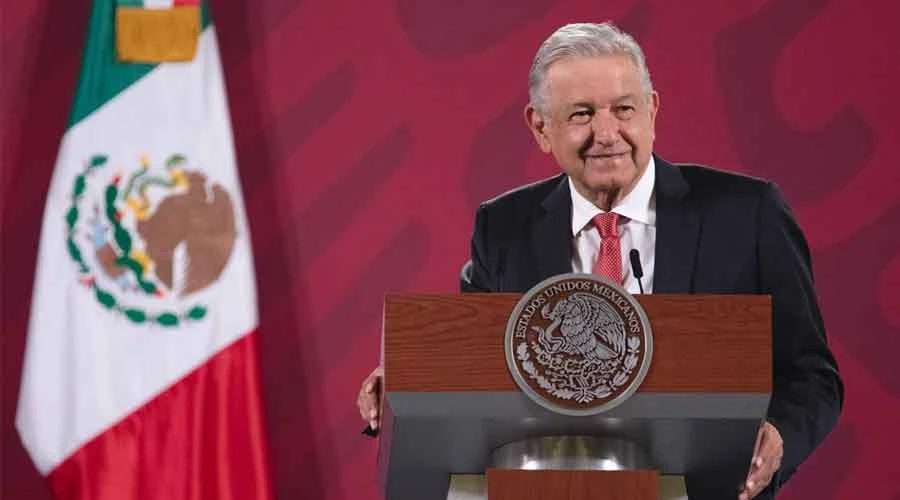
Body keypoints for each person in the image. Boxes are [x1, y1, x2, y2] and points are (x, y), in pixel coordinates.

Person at [357, 22, 843, 499]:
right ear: (540, 127)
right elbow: (472, 360)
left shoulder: (748, 213)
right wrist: (404, 384)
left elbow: (811, 374)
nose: (607, 133)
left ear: (652, 111)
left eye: (623, 109)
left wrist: (779, 436)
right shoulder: (504, 226)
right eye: (582, 114)